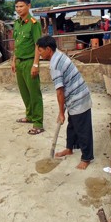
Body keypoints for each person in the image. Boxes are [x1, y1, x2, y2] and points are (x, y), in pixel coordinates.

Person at [37, 35, 93, 170]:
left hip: (79, 98)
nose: (39, 53)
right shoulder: (58, 55)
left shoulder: (55, 65)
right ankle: (69, 148)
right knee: (72, 126)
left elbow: (60, 91)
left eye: (40, 50)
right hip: (74, 97)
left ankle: (86, 157)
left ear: (48, 49)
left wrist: (61, 112)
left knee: (83, 129)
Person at [12, 0, 44, 135]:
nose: (18, 9)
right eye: (17, 7)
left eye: (21, 6)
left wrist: (36, 64)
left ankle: (38, 123)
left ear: (29, 6)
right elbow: (17, 44)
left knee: (34, 93)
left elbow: (38, 45)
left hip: (30, 61)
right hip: (19, 62)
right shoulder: (17, 23)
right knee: (24, 92)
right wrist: (13, 60)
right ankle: (29, 115)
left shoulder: (33, 23)